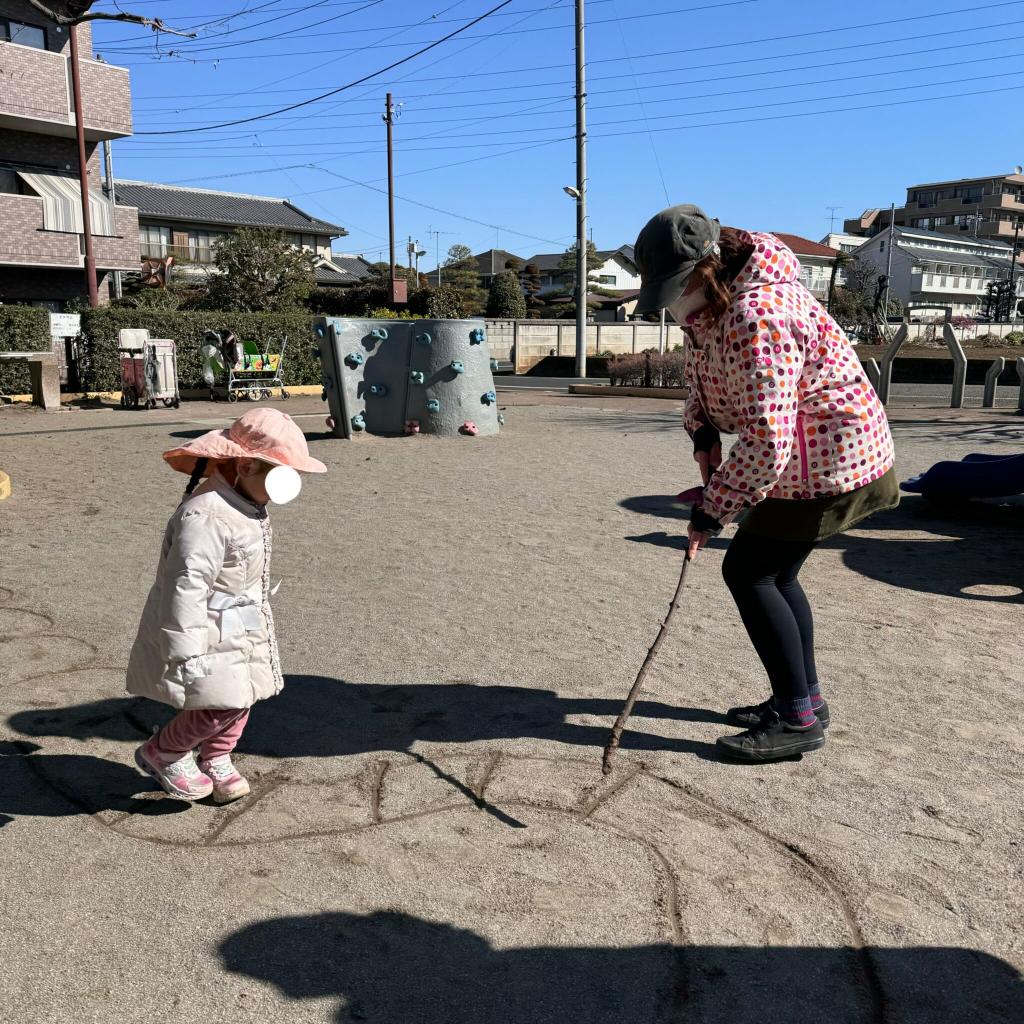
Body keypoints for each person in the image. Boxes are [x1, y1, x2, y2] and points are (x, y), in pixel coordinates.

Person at [634, 205, 898, 763]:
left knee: (750, 570)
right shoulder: (712, 308)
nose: (674, 306)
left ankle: (797, 717)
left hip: (828, 458)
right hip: (803, 458)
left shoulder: (760, 314)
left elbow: (767, 441)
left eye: (676, 288)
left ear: (706, 269)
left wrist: (713, 508)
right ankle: (804, 701)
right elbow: (700, 375)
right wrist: (701, 433)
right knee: (774, 573)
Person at [126, 408, 326, 802]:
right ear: (247, 464)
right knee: (221, 702)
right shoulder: (205, 514)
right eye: (280, 477)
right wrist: (185, 650)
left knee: (246, 693)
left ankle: (216, 756)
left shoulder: (243, 502)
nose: (285, 489)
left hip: (239, 621)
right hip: (206, 629)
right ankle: (164, 751)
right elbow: (186, 584)